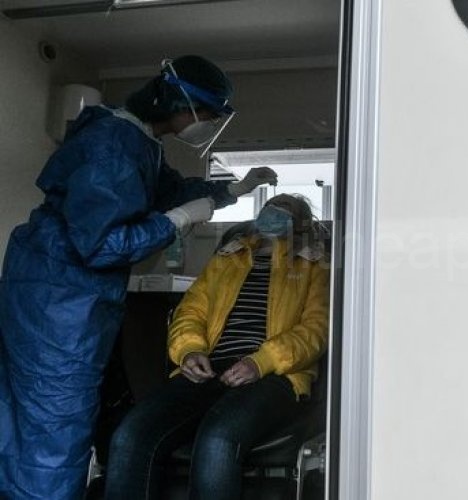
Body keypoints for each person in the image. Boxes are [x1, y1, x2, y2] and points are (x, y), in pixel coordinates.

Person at [0, 55, 278, 500]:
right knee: (54, 421)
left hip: (56, 289)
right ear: (178, 102)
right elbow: (99, 245)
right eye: (207, 114)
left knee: (28, 418)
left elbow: (170, 191)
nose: (207, 125)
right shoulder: (112, 144)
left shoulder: (137, 139)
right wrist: (178, 220)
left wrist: (232, 190)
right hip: (59, 299)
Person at [104, 194, 330, 500]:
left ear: (300, 221)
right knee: (131, 434)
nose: (274, 210)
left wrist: (260, 362)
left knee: (218, 439)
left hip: (275, 375)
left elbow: (317, 329)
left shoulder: (314, 265)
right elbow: (190, 312)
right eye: (270, 205)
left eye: (285, 208)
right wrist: (189, 351)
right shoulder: (227, 258)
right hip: (210, 368)